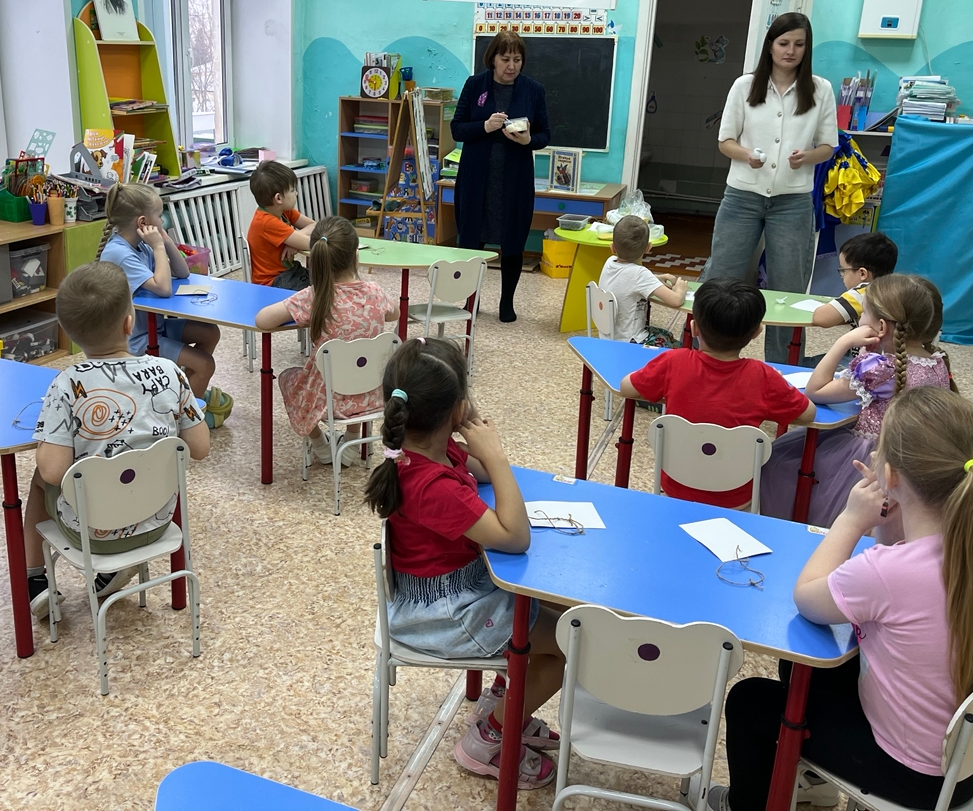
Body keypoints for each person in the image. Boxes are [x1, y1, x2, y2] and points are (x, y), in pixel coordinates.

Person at [708, 387, 973, 811]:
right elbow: (891, 569)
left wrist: (851, 519)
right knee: (807, 664)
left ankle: (743, 805)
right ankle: (814, 786)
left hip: (913, 773)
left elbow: (807, 598)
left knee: (749, 701)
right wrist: (889, 514)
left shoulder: (887, 573)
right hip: (964, 761)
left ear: (890, 477)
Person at [365, 337, 563, 789]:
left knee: (560, 611)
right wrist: (496, 453)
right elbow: (515, 537)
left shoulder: (430, 452)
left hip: (458, 589)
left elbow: (481, 474)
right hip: (446, 613)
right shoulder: (432, 486)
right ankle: (488, 738)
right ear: (454, 409)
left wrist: (467, 428)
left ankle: (506, 702)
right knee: (569, 644)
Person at [23, 262, 209, 617]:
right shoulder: (170, 372)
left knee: (37, 481)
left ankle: (35, 579)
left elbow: (52, 471)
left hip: (93, 534)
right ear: (129, 322)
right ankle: (111, 571)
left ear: (67, 330)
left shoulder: (66, 385)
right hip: (156, 523)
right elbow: (199, 448)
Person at [759, 274, 952, 526]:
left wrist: (843, 342)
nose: (859, 320)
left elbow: (816, 390)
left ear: (880, 327)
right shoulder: (937, 361)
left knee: (779, 460)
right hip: (911, 453)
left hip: (868, 454)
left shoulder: (881, 369)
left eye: (863, 313)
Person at [703, 12, 838, 363]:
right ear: (770, 46)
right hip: (742, 196)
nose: (790, 51)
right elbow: (725, 141)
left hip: (792, 201)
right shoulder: (744, 86)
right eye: (783, 43)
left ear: (807, 48)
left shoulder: (820, 89)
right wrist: (747, 155)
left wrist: (807, 156)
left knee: (789, 289)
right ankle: (706, 358)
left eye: (799, 44)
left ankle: (783, 367)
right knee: (720, 279)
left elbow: (828, 146)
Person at [619, 278, 815, 508]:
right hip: (736, 498)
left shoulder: (673, 362)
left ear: (694, 328)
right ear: (756, 332)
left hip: (675, 489)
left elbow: (626, 387)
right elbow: (808, 413)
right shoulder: (764, 376)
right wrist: (778, 384)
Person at [254, 215, 398, 465]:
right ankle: (351, 444)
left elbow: (262, 320)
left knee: (288, 378)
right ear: (356, 255)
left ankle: (320, 444)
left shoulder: (315, 296)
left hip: (326, 400)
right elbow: (394, 313)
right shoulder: (375, 291)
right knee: (357, 368)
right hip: (372, 394)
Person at [98, 181, 230, 425]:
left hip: (153, 327)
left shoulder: (141, 245)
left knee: (209, 332)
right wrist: (158, 246)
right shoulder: (120, 253)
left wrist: (165, 241)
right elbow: (164, 288)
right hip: (135, 339)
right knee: (205, 365)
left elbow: (182, 272)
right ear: (142, 223)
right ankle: (184, 423)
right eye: (159, 216)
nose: (162, 220)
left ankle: (184, 393)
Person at [450, 29, 552, 323]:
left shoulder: (533, 90)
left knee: (513, 240)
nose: (511, 66)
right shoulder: (475, 85)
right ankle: (472, 300)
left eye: (517, 60)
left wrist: (528, 140)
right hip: (477, 179)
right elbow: (457, 129)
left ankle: (507, 303)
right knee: (473, 240)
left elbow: (545, 134)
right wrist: (485, 126)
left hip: (515, 179)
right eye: (505, 59)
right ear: (492, 59)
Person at [597, 215, 687, 346]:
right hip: (630, 342)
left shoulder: (609, 262)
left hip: (608, 337)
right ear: (648, 248)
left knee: (667, 334)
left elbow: (627, 280)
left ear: (612, 247)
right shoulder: (640, 274)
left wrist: (655, 279)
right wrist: (680, 288)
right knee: (676, 345)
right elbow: (676, 300)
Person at [247, 160, 317, 290]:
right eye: (292, 190)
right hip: (273, 281)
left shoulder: (283, 210)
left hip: (289, 271)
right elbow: (311, 243)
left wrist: (295, 239)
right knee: (317, 292)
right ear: (278, 198)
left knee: (325, 281)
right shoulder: (267, 222)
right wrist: (297, 239)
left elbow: (314, 225)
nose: (296, 193)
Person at [811, 231, 899, 330]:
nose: (842, 276)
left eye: (843, 270)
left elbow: (821, 318)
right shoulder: (895, 289)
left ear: (862, 274)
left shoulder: (864, 293)